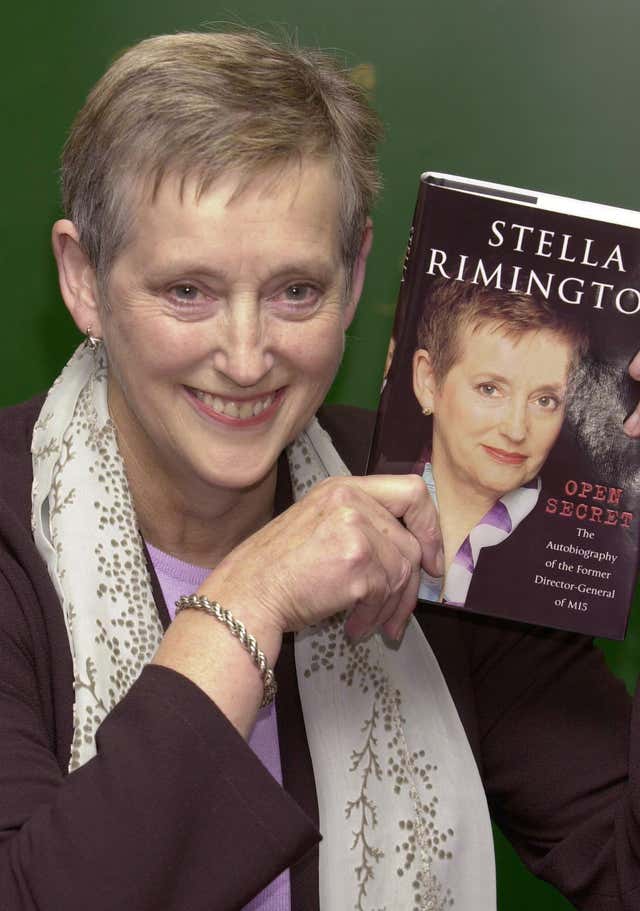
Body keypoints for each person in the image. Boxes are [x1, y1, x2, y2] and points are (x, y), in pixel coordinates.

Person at [1, 28, 640, 911]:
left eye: (295, 291)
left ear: (355, 275)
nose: (245, 356)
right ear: (82, 279)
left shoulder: (434, 506)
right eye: (187, 291)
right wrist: (252, 597)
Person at [411, 278, 588, 605]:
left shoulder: (584, 558)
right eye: (490, 389)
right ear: (428, 382)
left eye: (545, 400)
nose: (516, 430)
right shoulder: (346, 468)